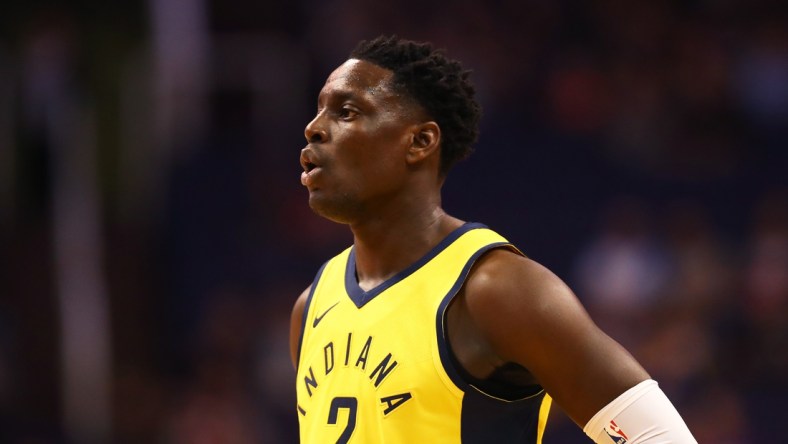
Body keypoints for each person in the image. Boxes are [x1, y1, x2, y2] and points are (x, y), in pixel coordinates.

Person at [289, 35, 696, 443]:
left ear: (420, 142)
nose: (314, 128)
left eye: (346, 111)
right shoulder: (311, 307)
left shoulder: (497, 290)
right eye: (318, 110)